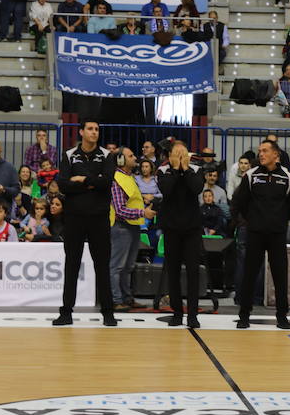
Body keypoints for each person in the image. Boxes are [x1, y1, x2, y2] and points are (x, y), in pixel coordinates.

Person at [53, 120, 117, 327]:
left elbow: (106, 182)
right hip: (74, 218)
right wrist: (92, 182)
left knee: (102, 266)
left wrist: (81, 179)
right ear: (81, 132)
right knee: (71, 265)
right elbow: (63, 184)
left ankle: (108, 313)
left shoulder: (108, 156)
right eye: (90, 129)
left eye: (97, 129)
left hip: (99, 218)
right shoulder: (69, 155)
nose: (94, 132)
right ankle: (66, 312)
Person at [232, 139, 290, 329]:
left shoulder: (287, 177)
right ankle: (244, 315)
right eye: (259, 151)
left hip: (277, 233)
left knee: (280, 275)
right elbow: (239, 202)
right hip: (254, 232)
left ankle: (282, 316)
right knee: (250, 274)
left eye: (265, 151)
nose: (261, 154)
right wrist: (248, 221)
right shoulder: (251, 175)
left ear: (275, 155)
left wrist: (278, 221)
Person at [157, 141, 205, 328]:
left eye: (182, 152)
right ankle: (177, 312)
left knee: (193, 272)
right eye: (175, 153)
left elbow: (196, 188)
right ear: (169, 155)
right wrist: (176, 170)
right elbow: (166, 190)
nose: (179, 155)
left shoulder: (195, 169)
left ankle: (192, 314)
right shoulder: (163, 171)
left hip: (192, 229)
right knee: (173, 272)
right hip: (171, 229)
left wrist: (185, 169)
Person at [110, 146, 156, 312]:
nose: (135, 157)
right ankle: (115, 300)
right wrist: (143, 211)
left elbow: (132, 201)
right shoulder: (117, 180)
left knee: (128, 266)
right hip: (121, 226)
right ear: (121, 160)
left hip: (134, 225)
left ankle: (127, 298)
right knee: (117, 266)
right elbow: (120, 210)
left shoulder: (130, 178)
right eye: (131, 155)